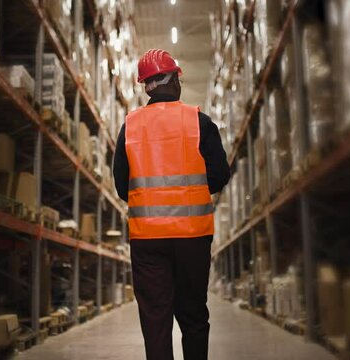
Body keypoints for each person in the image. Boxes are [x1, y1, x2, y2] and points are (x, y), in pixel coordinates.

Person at [112, 49, 230, 360]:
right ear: (175, 80)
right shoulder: (199, 122)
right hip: (193, 236)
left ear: (145, 86)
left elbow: (122, 185)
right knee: (193, 316)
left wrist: (150, 200)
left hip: (147, 239)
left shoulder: (130, 126)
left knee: (155, 319)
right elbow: (219, 176)